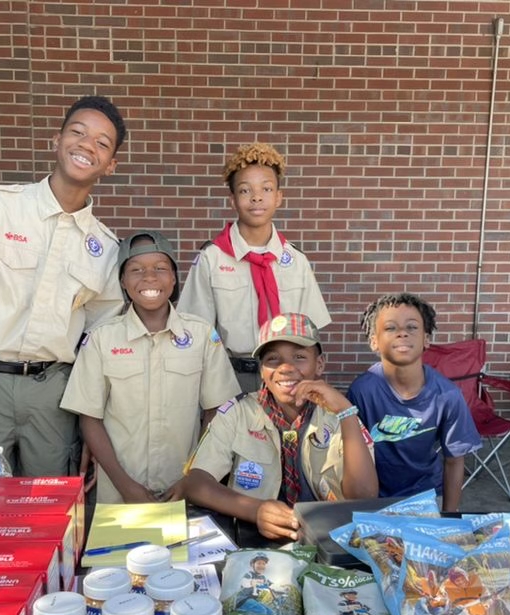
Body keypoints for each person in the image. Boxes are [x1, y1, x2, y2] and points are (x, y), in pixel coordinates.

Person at [0, 96, 127, 476]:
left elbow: (96, 344)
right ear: (57, 139)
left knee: (49, 501)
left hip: (54, 395)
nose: (87, 145)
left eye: (102, 143)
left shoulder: (106, 248)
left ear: (110, 164)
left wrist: (91, 420)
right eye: (78, 132)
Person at [60, 230, 239, 503]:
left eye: (160, 268)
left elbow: (216, 410)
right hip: (119, 492)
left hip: (183, 489)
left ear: (174, 277)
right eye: (136, 269)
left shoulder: (202, 335)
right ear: (122, 280)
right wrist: (125, 485)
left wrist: (192, 477)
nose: (149, 277)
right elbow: (90, 418)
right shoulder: (101, 338)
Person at [178, 313, 378, 541]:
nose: (285, 368)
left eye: (299, 357)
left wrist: (346, 412)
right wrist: (256, 510)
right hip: (253, 540)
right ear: (261, 370)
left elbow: (364, 497)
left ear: (319, 364)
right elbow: (195, 483)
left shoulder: (339, 414)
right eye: (273, 359)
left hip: (326, 540)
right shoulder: (237, 413)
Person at [177, 143, 331, 391]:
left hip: (287, 379)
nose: (256, 197)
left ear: (279, 197)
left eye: (266, 189)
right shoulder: (212, 258)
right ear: (232, 200)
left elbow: (310, 333)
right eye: (245, 190)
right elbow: (196, 329)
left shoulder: (296, 261)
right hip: (231, 379)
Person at [346, 293, 482, 512]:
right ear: (374, 341)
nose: (402, 333)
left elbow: (454, 461)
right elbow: (350, 455)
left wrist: (449, 515)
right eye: (390, 328)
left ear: (426, 339)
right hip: (374, 499)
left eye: (412, 327)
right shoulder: (361, 391)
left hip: (427, 497)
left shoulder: (447, 394)